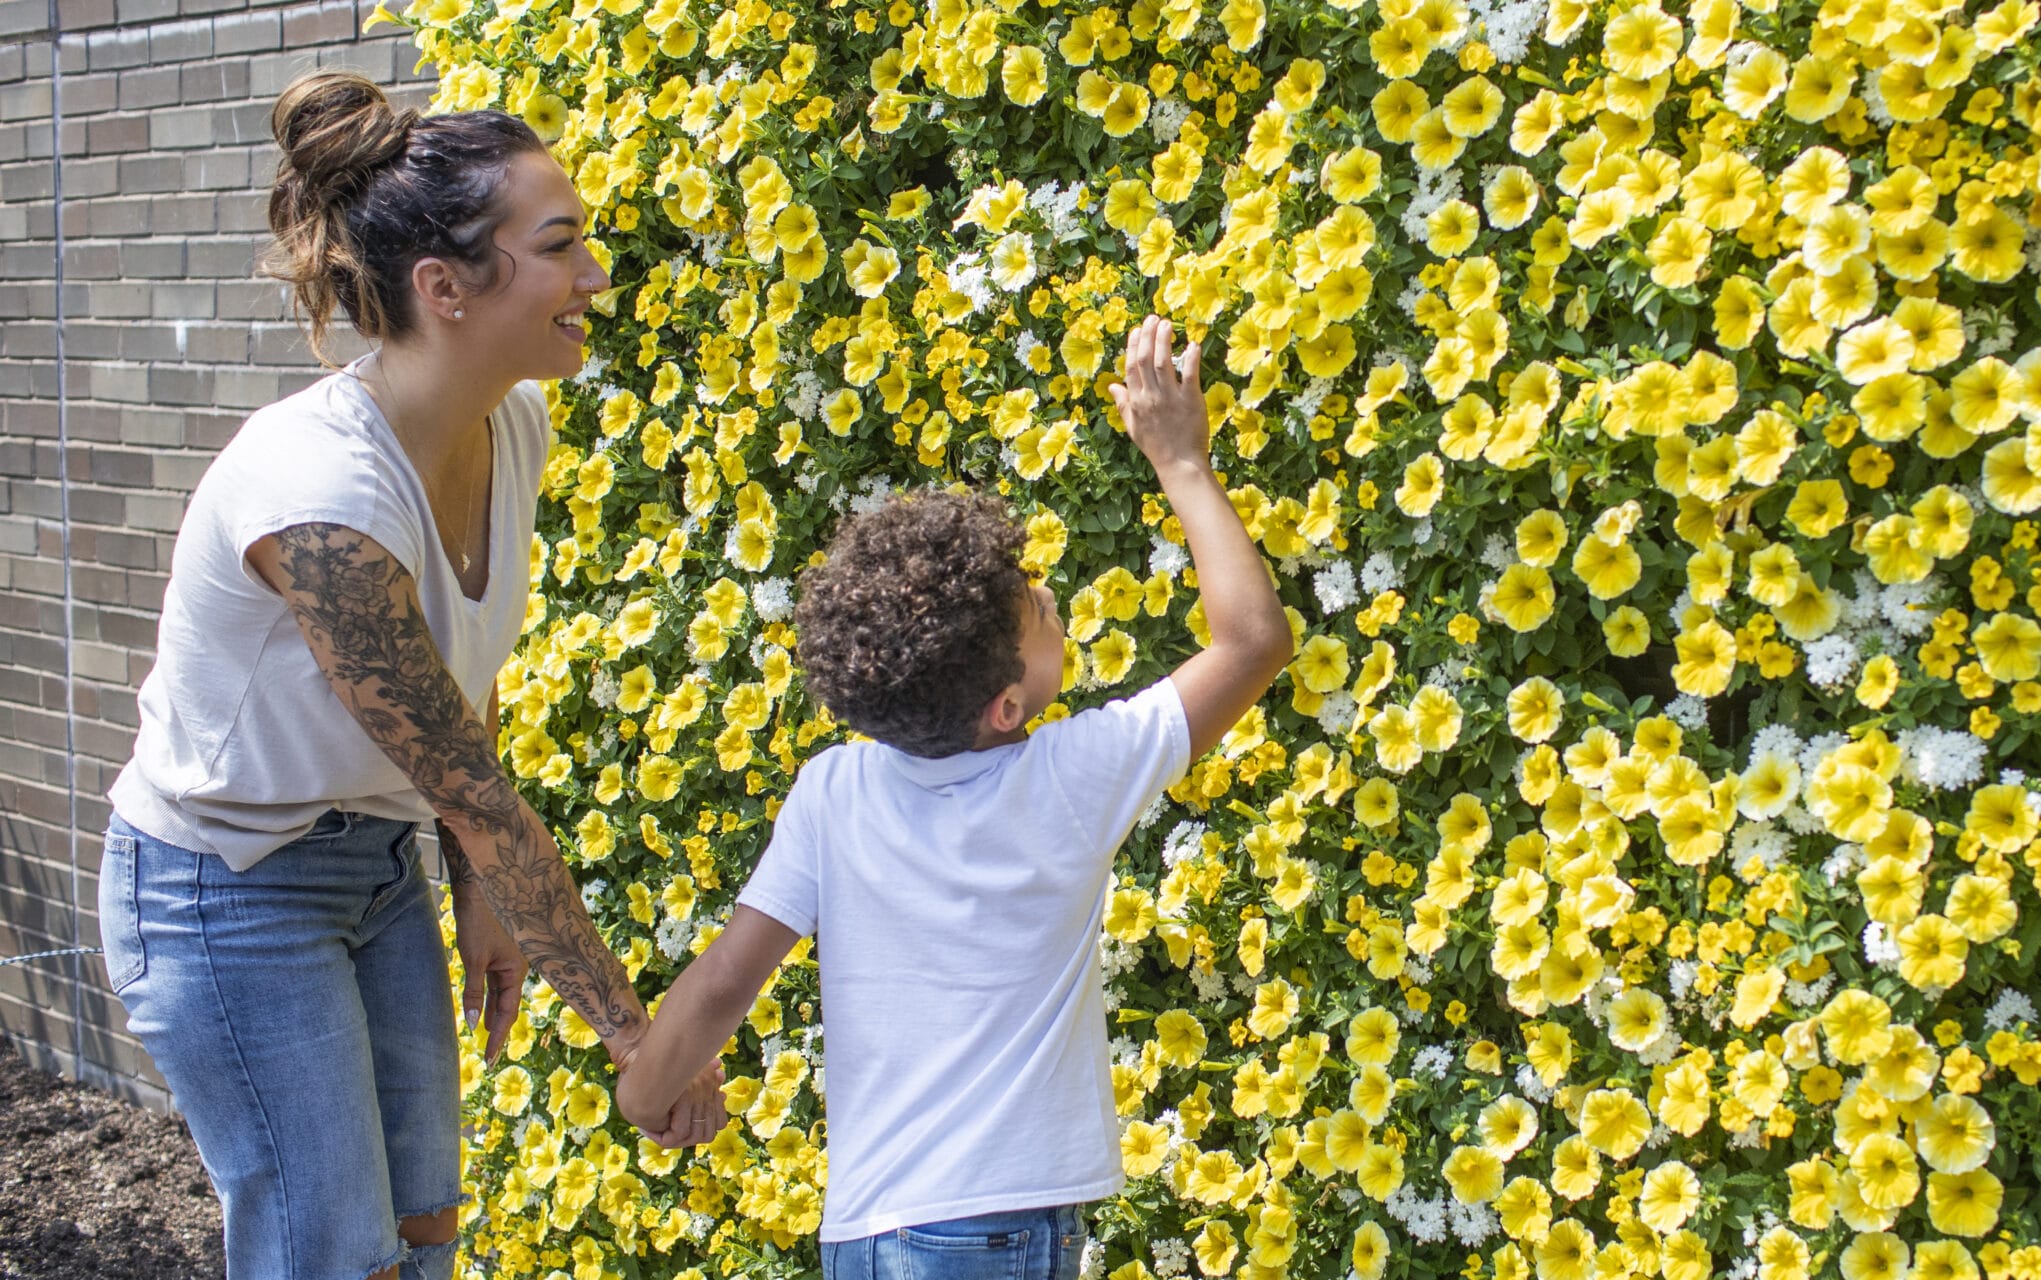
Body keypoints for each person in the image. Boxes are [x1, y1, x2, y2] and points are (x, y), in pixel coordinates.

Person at [96, 71, 723, 1280]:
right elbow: (480, 792)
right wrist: (638, 1039)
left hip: (373, 866)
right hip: (224, 889)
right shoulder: (322, 497)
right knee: (331, 1254)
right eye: (562, 246)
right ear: (443, 287)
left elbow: (454, 684)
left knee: (424, 1229)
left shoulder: (510, 421)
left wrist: (470, 889)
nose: (595, 274)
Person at [614, 317, 1293, 1277]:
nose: (1049, 595)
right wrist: (1180, 461)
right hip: (994, 1231)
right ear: (1008, 704)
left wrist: (649, 1093)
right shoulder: (1071, 777)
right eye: (1037, 607)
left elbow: (728, 976)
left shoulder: (833, 789)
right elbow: (1252, 642)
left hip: (867, 1233)